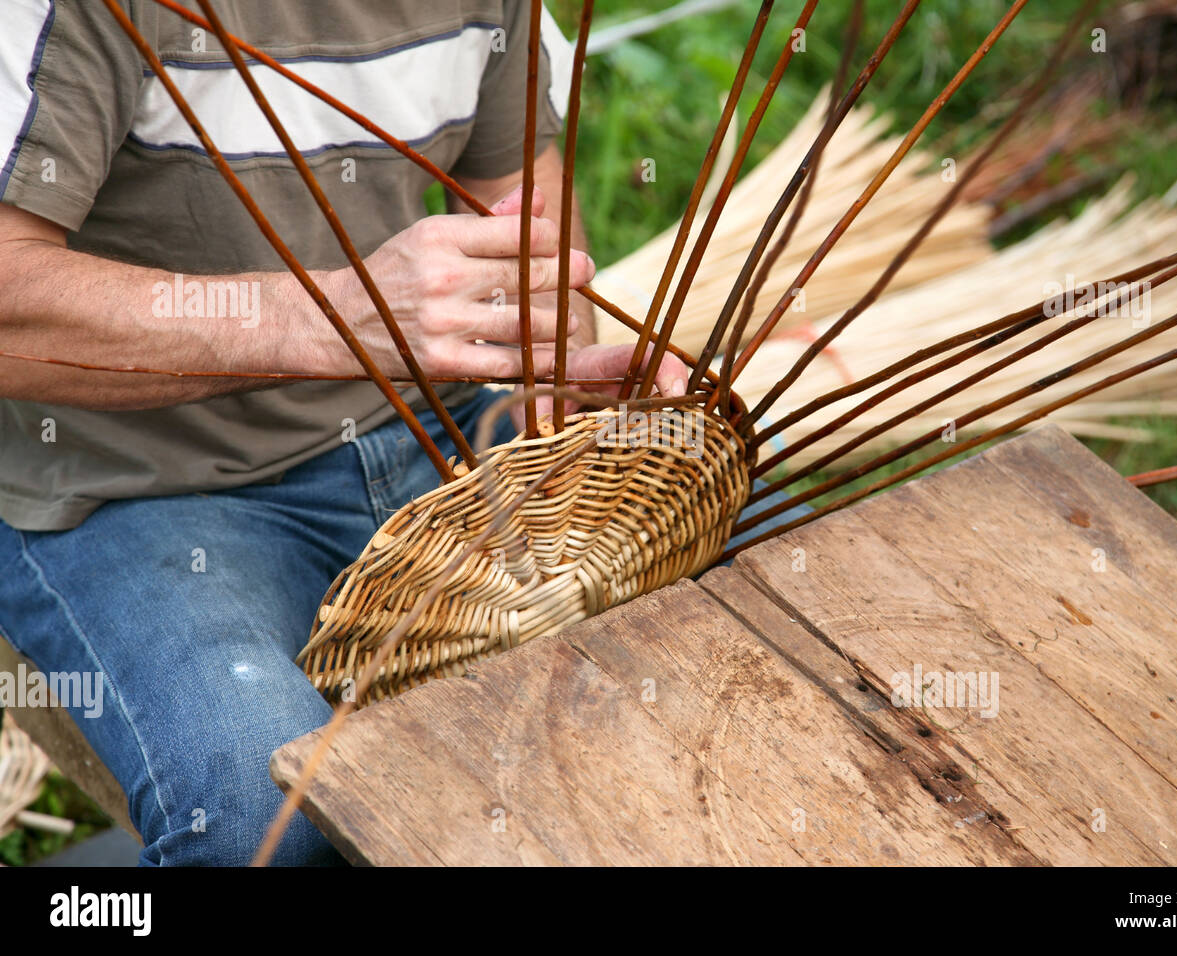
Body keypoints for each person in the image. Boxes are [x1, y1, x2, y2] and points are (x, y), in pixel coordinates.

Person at [0, 0, 690, 865]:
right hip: (147, 482)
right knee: (273, 819)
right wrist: (329, 322)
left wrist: (554, 377)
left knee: (725, 610)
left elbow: (522, 207)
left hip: (437, 424)